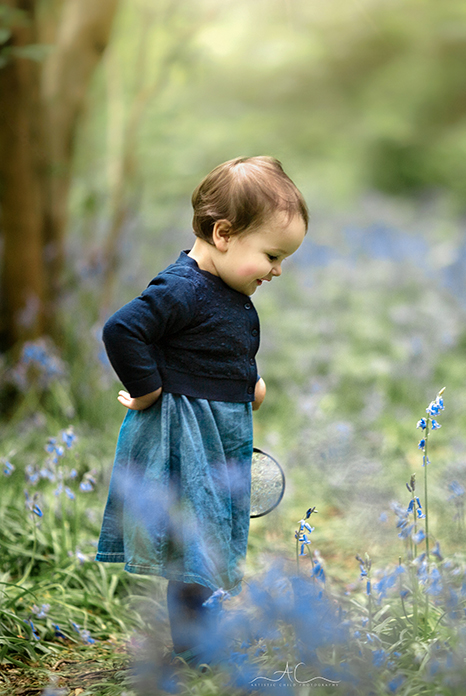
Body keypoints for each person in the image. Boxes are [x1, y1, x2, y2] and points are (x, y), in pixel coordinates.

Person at [96, 156, 308, 663]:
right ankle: (197, 649)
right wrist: (146, 389)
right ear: (223, 233)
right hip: (183, 435)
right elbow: (122, 330)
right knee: (197, 540)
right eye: (273, 255)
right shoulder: (183, 287)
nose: (277, 270)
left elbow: (211, 348)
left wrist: (246, 383)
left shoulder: (222, 287)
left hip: (217, 430)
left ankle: (204, 637)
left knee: (212, 532)